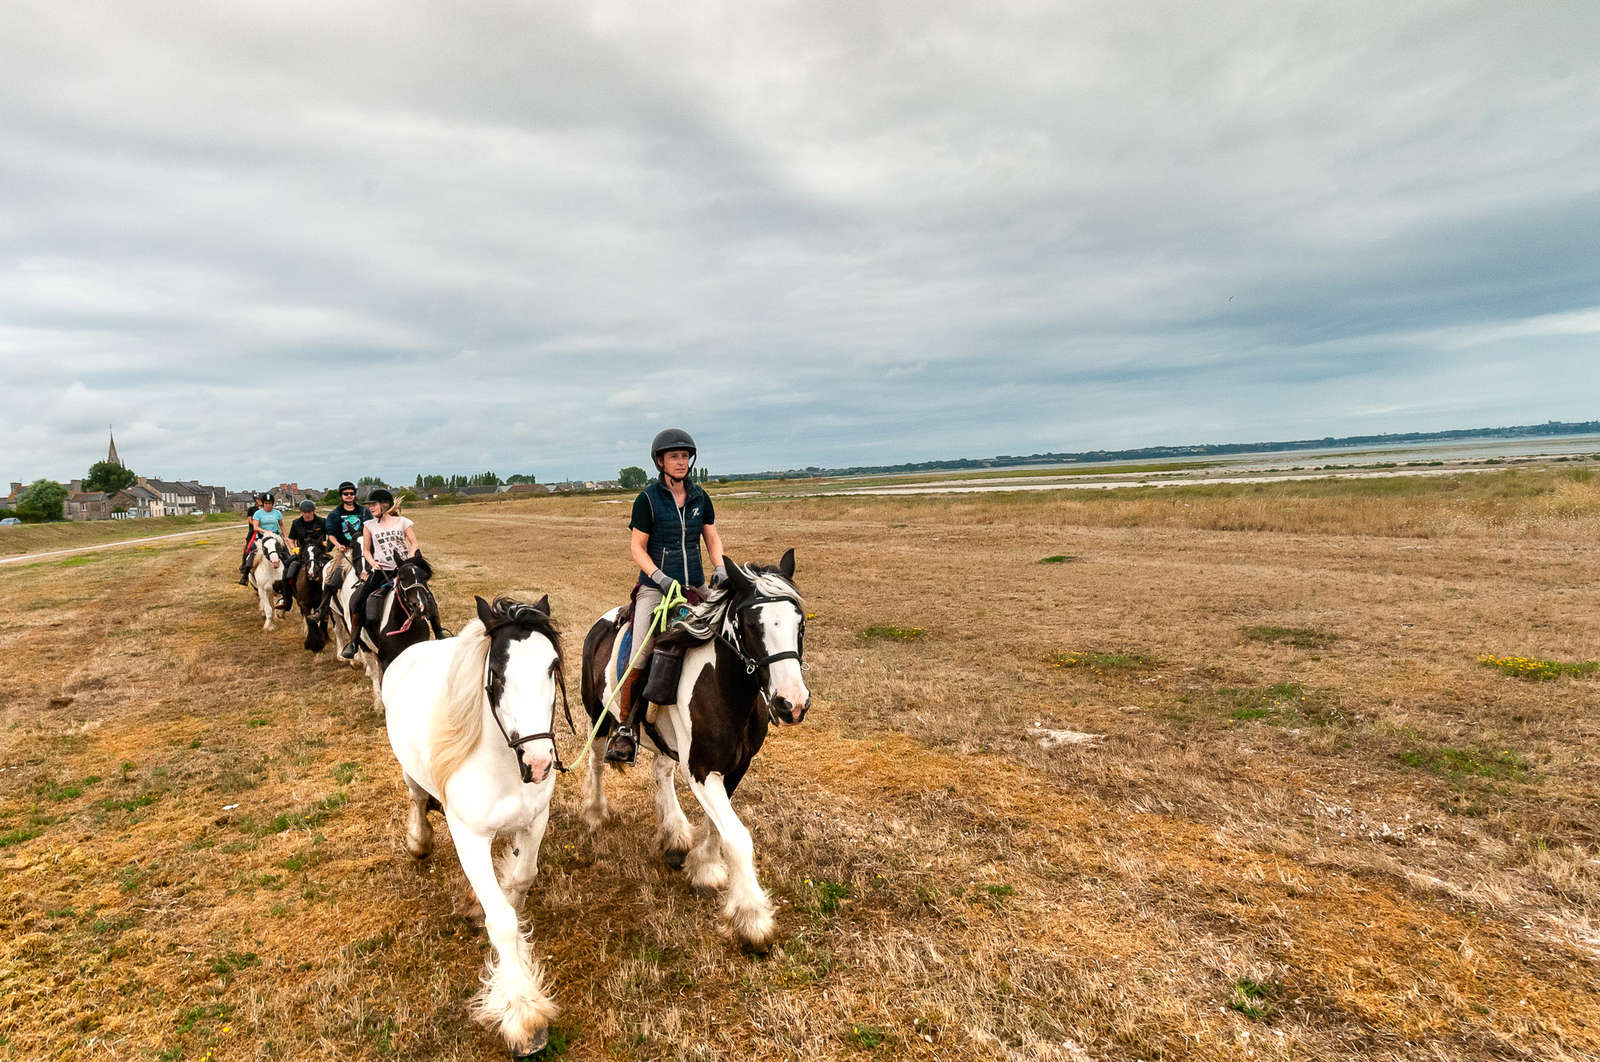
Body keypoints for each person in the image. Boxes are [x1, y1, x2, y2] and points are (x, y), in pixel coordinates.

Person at [605, 428, 726, 763]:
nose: (681, 462)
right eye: (674, 456)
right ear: (660, 461)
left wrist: (720, 567)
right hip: (655, 589)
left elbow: (711, 538)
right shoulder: (647, 499)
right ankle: (625, 727)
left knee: (730, 636)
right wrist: (657, 577)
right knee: (640, 654)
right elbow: (637, 547)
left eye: (685, 456)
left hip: (696, 587)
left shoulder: (701, 497)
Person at [339, 488, 419, 659]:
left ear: (385, 505)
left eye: (373, 505)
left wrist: (410, 559)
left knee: (423, 592)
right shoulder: (369, 525)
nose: (371, 508)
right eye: (369, 505)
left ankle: (438, 630)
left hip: (403, 568)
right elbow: (366, 550)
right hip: (383, 570)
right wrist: (373, 563)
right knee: (359, 599)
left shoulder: (403, 522)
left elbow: (414, 544)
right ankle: (354, 641)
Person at [313, 482, 369, 618]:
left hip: (364, 549)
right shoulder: (335, 514)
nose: (349, 496)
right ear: (341, 496)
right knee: (332, 577)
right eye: (346, 494)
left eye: (351, 493)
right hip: (345, 550)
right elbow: (331, 534)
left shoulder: (364, 511)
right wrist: (338, 545)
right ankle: (323, 608)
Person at [280, 500, 324, 610]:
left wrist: (326, 544)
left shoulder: (322, 522)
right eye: (304, 512)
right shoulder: (296, 523)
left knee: (334, 570)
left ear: (314, 511)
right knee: (287, 571)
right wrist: (293, 548)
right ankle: (286, 600)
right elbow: (291, 539)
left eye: (309, 512)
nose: (307, 514)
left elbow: (331, 535)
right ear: (301, 512)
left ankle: (334, 599)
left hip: (319, 554)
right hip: (302, 554)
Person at [237, 493, 281, 584]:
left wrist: (285, 537)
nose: (268, 505)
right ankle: (245, 575)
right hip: (260, 537)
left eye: (270, 503)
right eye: (266, 503)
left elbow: (281, 525)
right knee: (251, 551)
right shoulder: (255, 511)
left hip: (275, 537)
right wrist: (265, 531)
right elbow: (253, 524)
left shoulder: (277, 513)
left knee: (285, 553)